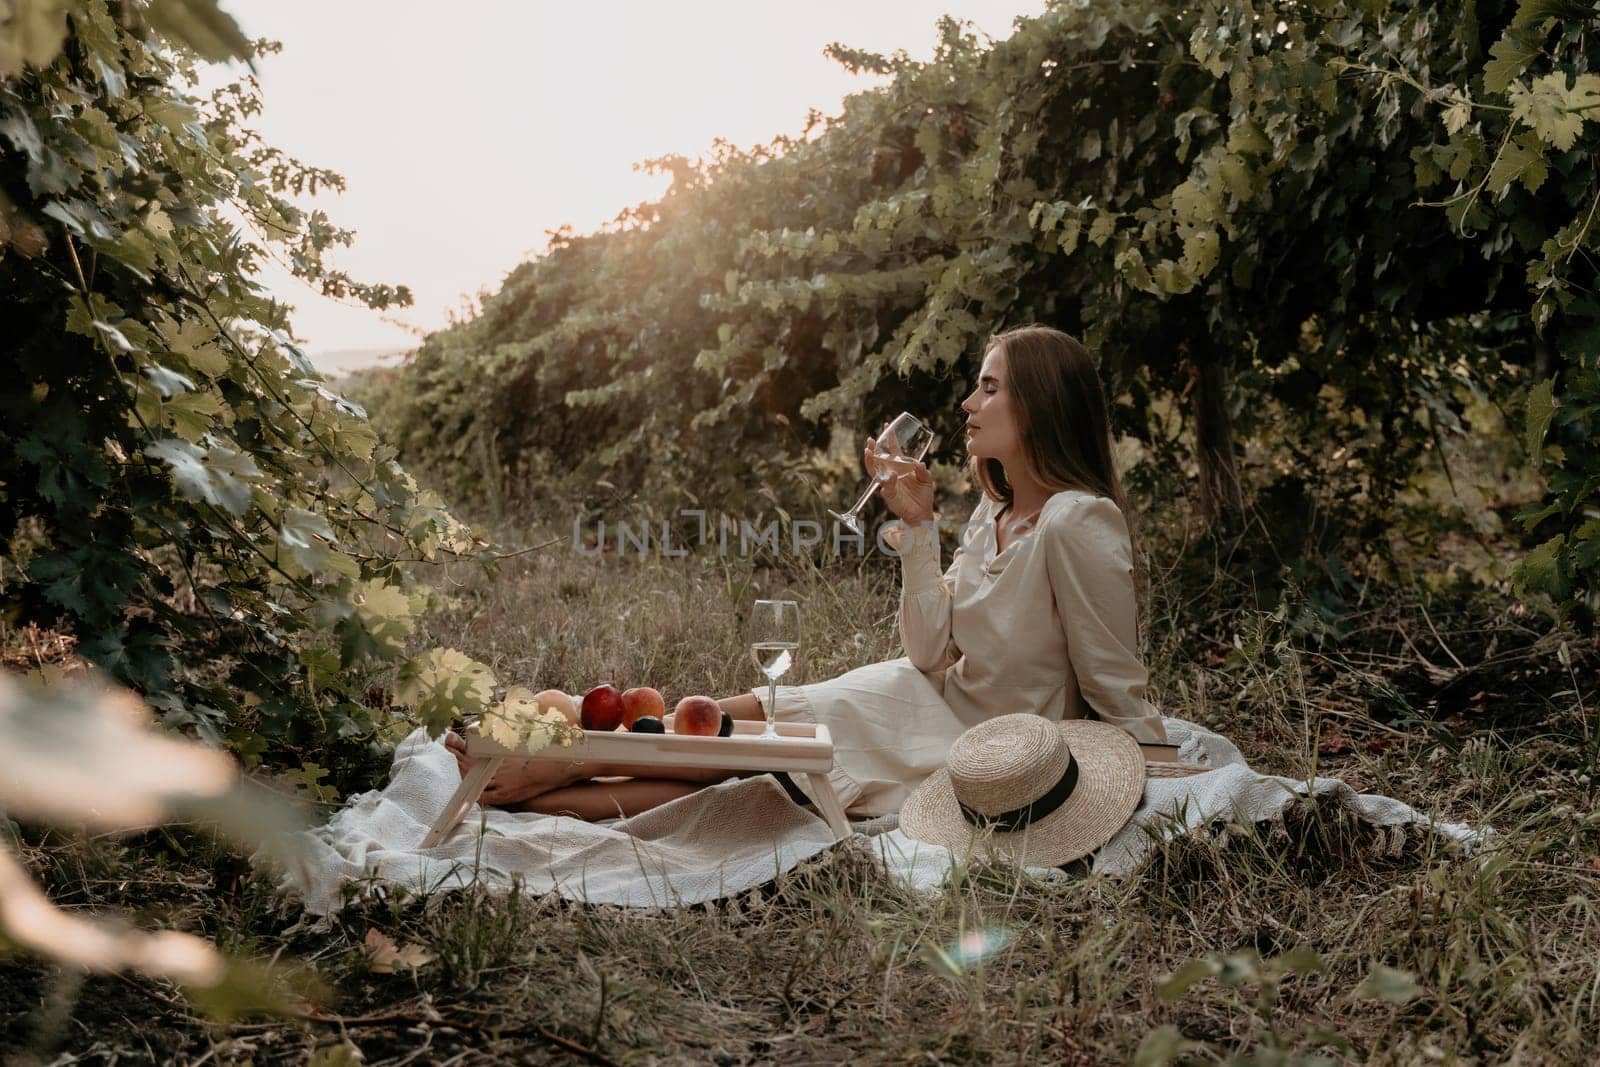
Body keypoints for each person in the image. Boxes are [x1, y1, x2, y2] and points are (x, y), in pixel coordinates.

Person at [444, 324, 1168, 820]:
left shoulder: (1078, 520)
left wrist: (1147, 774)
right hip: (917, 694)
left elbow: (1114, 684)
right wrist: (917, 529)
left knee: (741, 761)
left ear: (1040, 404)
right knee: (746, 727)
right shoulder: (993, 512)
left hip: (985, 742)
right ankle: (553, 761)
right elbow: (925, 651)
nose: (968, 404)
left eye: (988, 387)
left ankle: (549, 765)